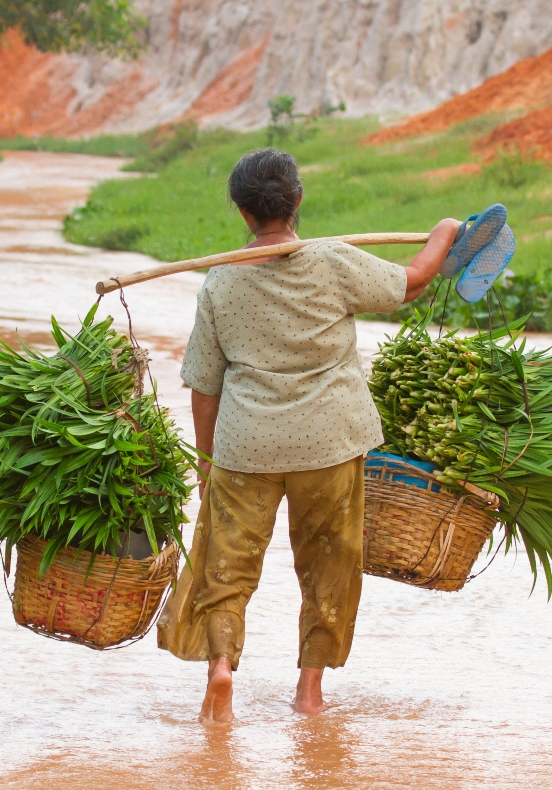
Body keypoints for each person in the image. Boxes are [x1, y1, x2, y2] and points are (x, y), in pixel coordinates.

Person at [156, 147, 461, 721]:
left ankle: (221, 668)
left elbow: (204, 385)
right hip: (329, 441)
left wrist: (205, 461)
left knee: (227, 564)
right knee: (329, 564)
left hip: (248, 446)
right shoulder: (330, 261)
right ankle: (310, 691)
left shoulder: (220, 282)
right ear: (297, 201)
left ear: (242, 212)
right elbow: (415, 280)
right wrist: (445, 231)